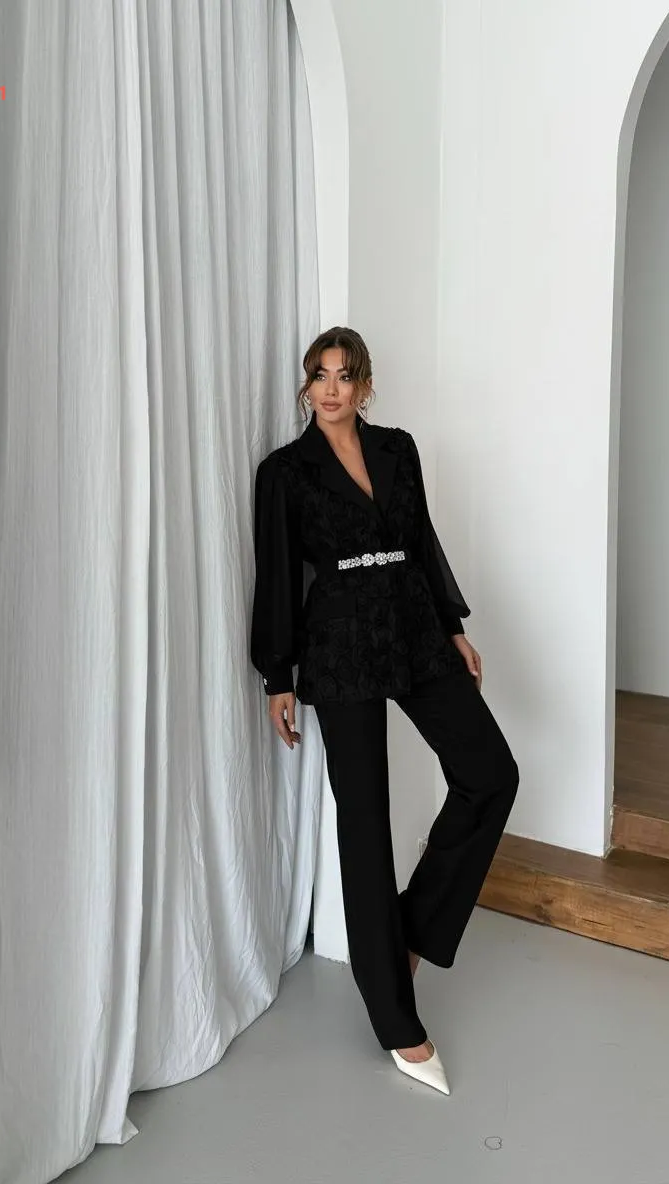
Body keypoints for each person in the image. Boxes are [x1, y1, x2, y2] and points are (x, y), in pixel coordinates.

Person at [249, 326, 519, 1096]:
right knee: (364, 823)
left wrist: (452, 627)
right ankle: (395, 1018)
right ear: (307, 387)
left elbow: (422, 542)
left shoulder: (398, 449)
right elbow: (278, 576)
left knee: (491, 774)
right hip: (339, 646)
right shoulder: (285, 472)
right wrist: (277, 675)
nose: (331, 389)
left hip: (413, 627)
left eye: (345, 376)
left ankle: (414, 930)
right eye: (319, 375)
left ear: (365, 386)